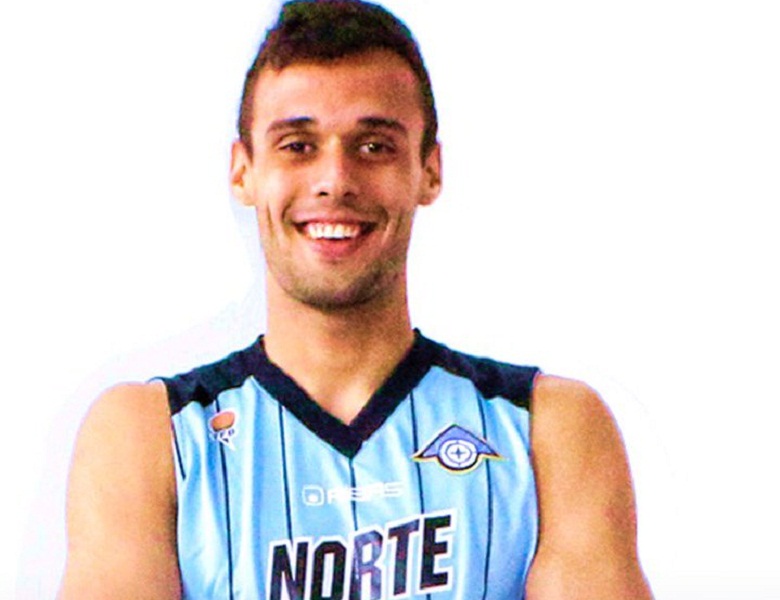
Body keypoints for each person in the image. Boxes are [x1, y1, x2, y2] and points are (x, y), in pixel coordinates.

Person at [59, 1, 654, 598]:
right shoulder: (150, 436)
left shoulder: (548, 430)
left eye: (373, 146)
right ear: (243, 173)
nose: (335, 180)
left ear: (429, 170)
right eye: (297, 145)